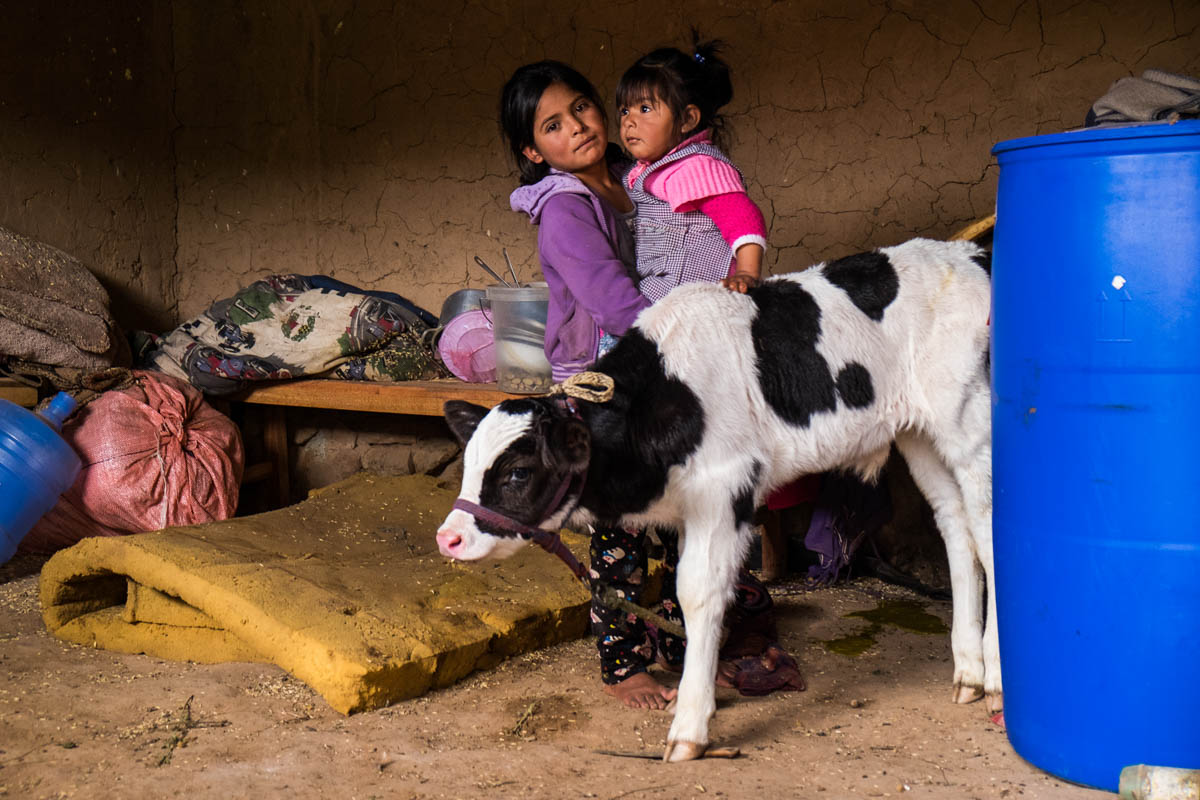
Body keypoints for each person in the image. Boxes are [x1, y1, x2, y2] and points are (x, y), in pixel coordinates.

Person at [501, 61, 681, 710]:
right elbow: (612, 302)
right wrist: (692, 342)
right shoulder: (567, 211)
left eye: (580, 107)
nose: (576, 127)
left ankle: (684, 646)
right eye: (552, 125)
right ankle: (623, 664)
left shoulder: (631, 181)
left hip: (651, 360)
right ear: (532, 150)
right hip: (602, 379)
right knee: (620, 528)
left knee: (677, 512)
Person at [616, 36, 767, 298]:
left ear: (687, 119)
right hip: (667, 298)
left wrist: (746, 273)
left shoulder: (694, 167)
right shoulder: (643, 171)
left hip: (700, 303)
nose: (629, 121)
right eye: (624, 110)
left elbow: (743, 216)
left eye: (644, 108)